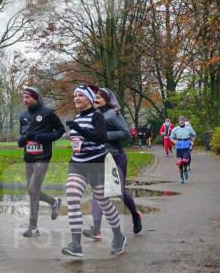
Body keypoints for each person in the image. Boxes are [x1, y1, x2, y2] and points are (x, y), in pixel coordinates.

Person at [62, 85, 125, 258]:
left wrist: (79, 128)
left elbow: (100, 137)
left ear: (89, 98)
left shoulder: (97, 116)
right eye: (75, 95)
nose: (76, 98)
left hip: (96, 165)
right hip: (78, 165)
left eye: (80, 95)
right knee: (72, 197)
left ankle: (118, 237)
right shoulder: (76, 116)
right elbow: (79, 141)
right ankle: (76, 245)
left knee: (104, 202)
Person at [81, 88, 143, 239]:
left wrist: (103, 136)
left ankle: (135, 214)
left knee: (118, 191)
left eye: (99, 97)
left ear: (107, 100)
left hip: (115, 157)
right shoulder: (92, 115)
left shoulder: (112, 114)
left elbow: (126, 133)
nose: (96, 99)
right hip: (98, 158)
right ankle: (96, 229)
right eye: (94, 96)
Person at [16, 86, 64, 237]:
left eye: (28, 97)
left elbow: (60, 131)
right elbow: (22, 136)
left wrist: (45, 137)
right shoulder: (23, 116)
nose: (25, 100)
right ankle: (53, 202)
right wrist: (22, 140)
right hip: (28, 157)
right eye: (23, 97)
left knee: (32, 188)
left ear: (36, 97)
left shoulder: (48, 113)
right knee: (32, 190)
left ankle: (33, 227)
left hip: (43, 156)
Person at [169, 115, 198, 184]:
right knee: (180, 163)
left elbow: (194, 135)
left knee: (185, 160)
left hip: (186, 145)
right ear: (178, 121)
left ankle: (185, 170)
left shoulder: (189, 128)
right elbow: (171, 137)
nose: (181, 121)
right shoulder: (175, 129)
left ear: (185, 121)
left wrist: (192, 141)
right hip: (179, 146)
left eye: (183, 120)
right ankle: (181, 177)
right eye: (180, 120)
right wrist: (174, 141)